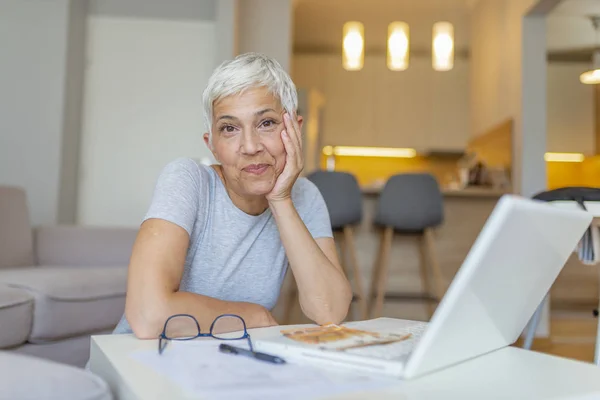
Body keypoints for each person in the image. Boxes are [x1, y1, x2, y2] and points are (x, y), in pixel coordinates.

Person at [112, 52, 353, 339]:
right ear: (211, 144)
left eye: (266, 123)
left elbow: (331, 311)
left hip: (229, 365)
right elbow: (147, 315)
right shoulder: (187, 180)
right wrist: (256, 316)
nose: (250, 146)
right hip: (138, 362)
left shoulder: (305, 196)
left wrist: (281, 200)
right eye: (229, 128)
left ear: (294, 130)